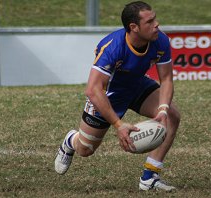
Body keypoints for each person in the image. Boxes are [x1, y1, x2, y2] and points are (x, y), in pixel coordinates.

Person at [54, 1, 180, 191]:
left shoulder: (160, 40)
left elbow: (167, 79)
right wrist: (119, 125)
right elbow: (93, 90)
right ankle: (71, 140)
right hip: (109, 95)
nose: (157, 24)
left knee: (172, 116)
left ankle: (149, 177)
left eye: (155, 18)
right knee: (85, 150)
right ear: (134, 27)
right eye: (150, 21)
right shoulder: (112, 47)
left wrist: (162, 110)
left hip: (137, 85)